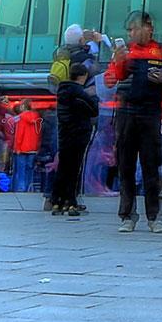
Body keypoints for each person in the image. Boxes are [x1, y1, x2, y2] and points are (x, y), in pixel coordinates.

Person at [102, 10, 162, 232]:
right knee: (125, 165)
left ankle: (154, 217)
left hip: (151, 113)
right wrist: (118, 60)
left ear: (148, 27)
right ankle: (127, 216)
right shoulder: (125, 51)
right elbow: (113, 79)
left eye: (134, 28)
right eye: (129, 29)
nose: (131, 33)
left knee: (151, 165)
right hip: (126, 113)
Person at [50, 56, 100, 216]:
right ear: (83, 76)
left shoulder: (62, 91)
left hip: (64, 133)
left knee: (63, 166)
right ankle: (71, 202)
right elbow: (93, 110)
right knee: (74, 167)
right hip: (79, 133)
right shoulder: (78, 92)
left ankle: (57, 201)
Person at [9, 101, 44, 194]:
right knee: (30, 169)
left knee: (20, 170)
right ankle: (29, 188)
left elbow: (19, 134)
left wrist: (17, 148)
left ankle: (21, 188)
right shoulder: (38, 118)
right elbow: (39, 134)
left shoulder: (21, 118)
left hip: (22, 148)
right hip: (33, 148)